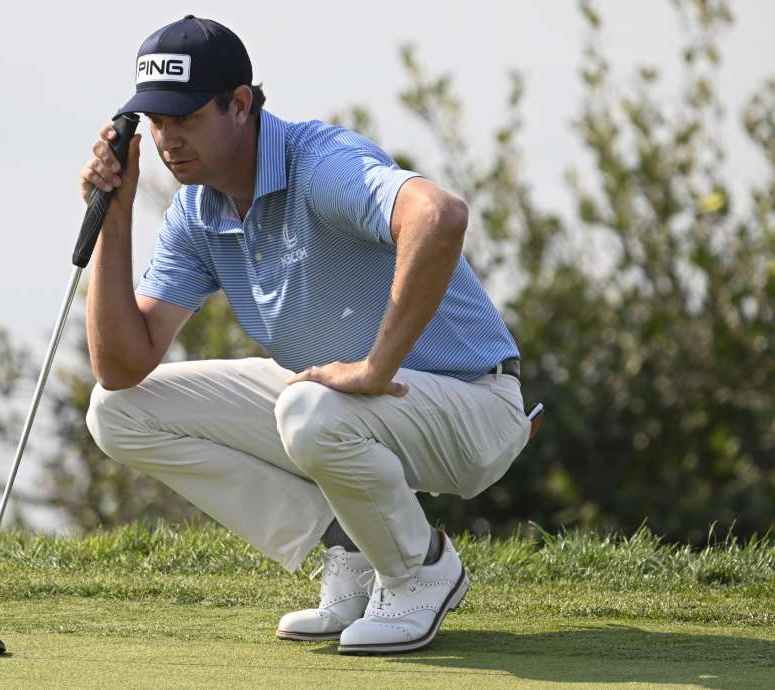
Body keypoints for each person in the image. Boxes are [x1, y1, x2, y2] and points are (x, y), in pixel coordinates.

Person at [79, 15, 533, 655]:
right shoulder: (199, 211)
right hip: (342, 407)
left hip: (474, 407)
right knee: (118, 411)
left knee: (309, 409)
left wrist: (376, 367)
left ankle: (418, 569)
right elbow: (122, 365)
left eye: (184, 117)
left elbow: (439, 216)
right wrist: (115, 217)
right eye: (155, 122)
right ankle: (350, 545)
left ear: (239, 106)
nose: (166, 139)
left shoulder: (319, 164)